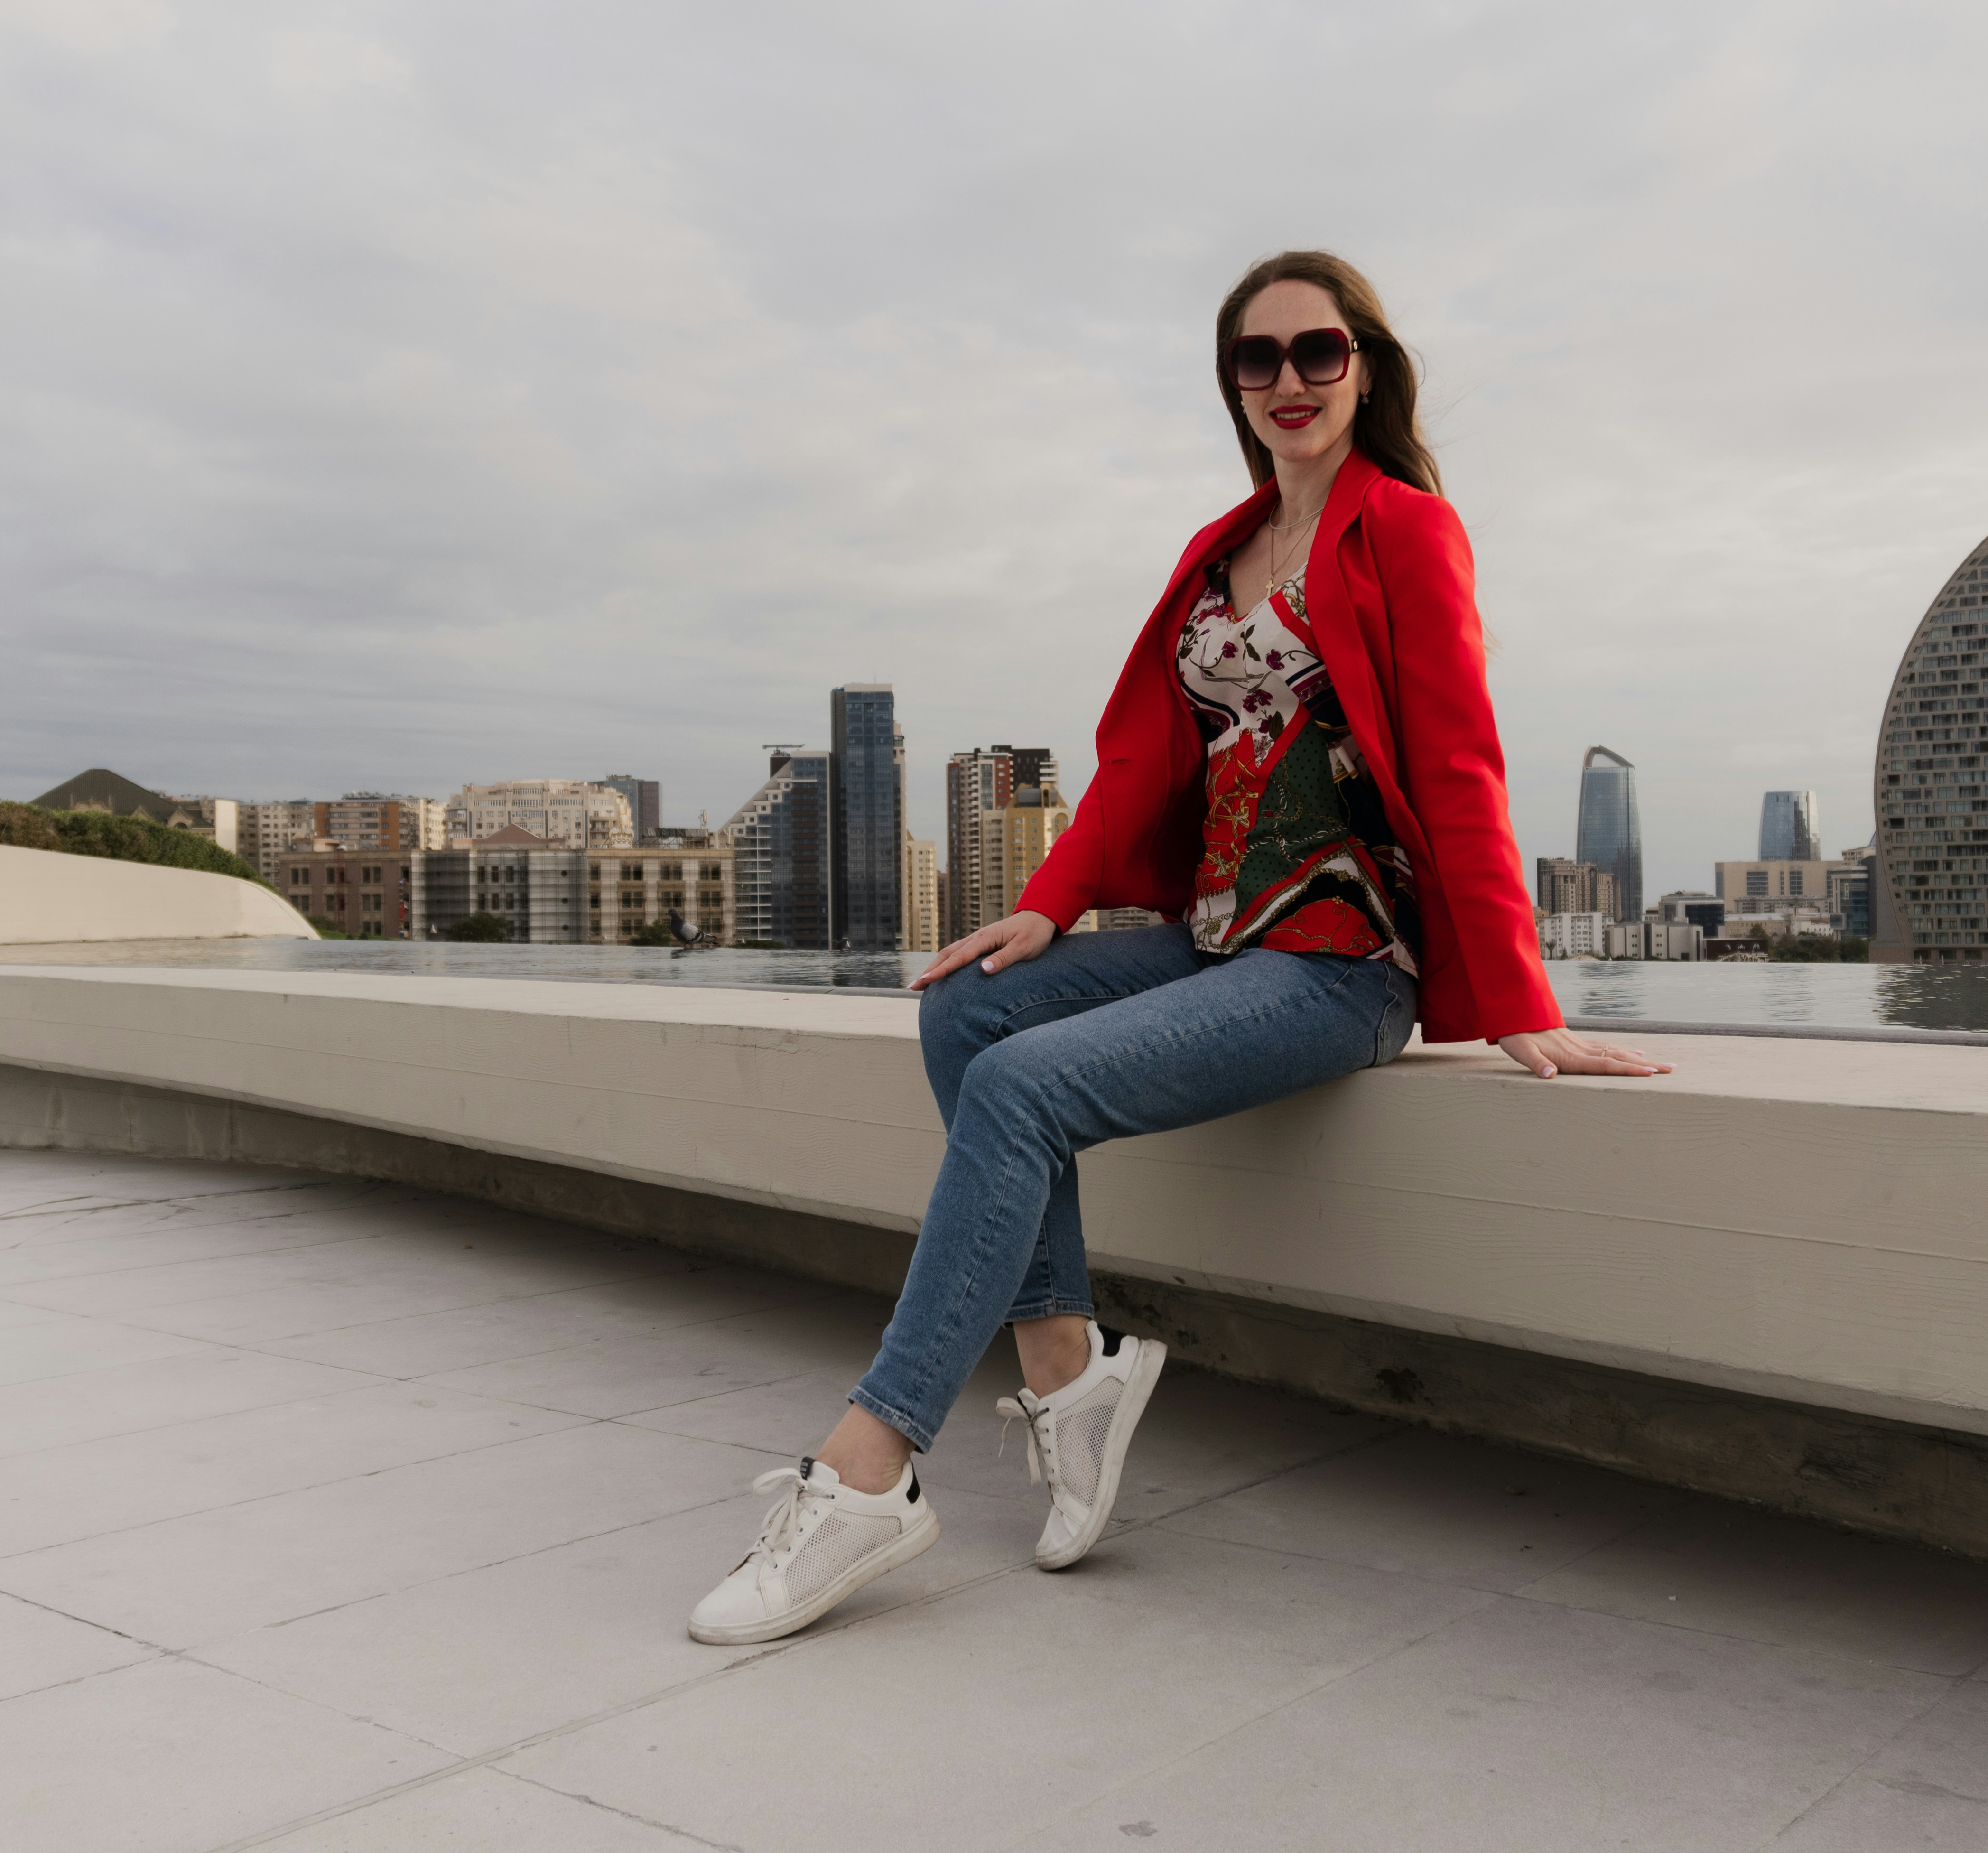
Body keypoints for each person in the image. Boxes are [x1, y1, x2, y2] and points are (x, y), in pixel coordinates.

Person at [688, 250, 1671, 1646]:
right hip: (1214, 944)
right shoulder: (1220, 551)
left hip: (1338, 965)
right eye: (1256, 360)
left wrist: (1517, 998)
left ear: (1367, 368)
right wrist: (1051, 901)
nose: (1288, 381)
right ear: (1232, 383)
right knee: (972, 1012)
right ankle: (1066, 1371)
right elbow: (1146, 758)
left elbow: (1460, 766)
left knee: (1026, 1091)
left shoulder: (1403, 530)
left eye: (1317, 353)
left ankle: (871, 1473)